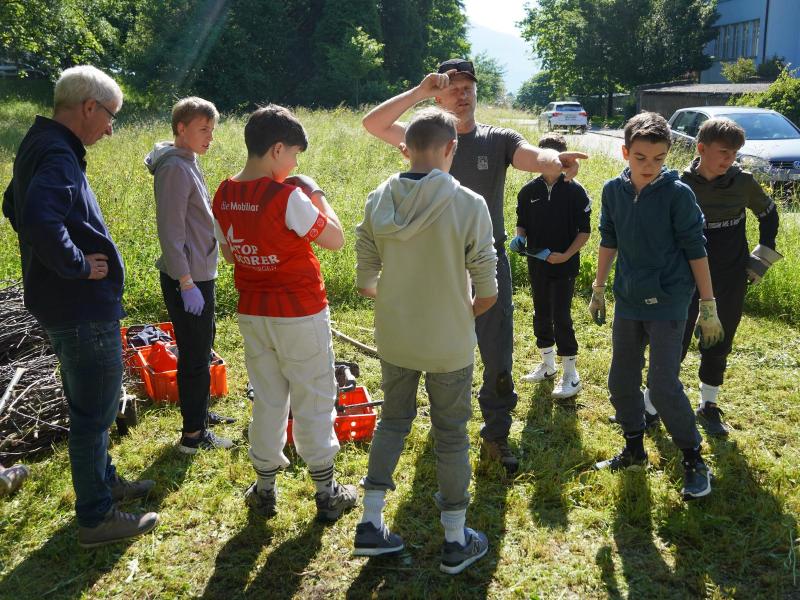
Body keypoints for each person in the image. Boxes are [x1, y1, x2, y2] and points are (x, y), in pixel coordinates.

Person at [362, 58, 587, 475]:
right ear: (438, 93)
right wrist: (418, 93)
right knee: (433, 343)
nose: (462, 94)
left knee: (497, 351)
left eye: (469, 87)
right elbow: (373, 124)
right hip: (433, 266)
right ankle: (444, 422)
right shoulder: (423, 138)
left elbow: (532, 156)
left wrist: (554, 160)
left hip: (486, 260)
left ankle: (496, 434)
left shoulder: (496, 139)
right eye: (452, 87)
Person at [2, 65, 158, 546]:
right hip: (81, 307)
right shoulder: (57, 152)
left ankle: (105, 483)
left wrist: (55, 262)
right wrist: (76, 265)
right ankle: (96, 517)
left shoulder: (40, 143)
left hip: (65, 305)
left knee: (92, 404)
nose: (111, 128)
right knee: (94, 414)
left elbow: (12, 204)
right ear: (89, 107)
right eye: (110, 116)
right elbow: (36, 218)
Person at [353, 107, 497, 574]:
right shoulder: (469, 203)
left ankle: (371, 524)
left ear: (405, 148)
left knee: (392, 421)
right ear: (450, 148)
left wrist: (393, 298)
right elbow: (488, 288)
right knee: (451, 435)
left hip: (396, 336)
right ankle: (456, 539)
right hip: (448, 340)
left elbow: (365, 277)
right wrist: (462, 309)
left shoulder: (378, 199)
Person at [211, 105, 357, 522]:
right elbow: (335, 239)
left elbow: (229, 251)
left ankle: (264, 489)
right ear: (277, 149)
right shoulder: (288, 195)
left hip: (254, 313)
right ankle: (327, 493)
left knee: (269, 398)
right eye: (293, 155)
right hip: (299, 311)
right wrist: (317, 194)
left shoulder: (223, 193)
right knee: (314, 397)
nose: (294, 164)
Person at [589, 112, 724, 501]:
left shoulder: (678, 194)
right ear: (625, 152)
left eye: (660, 159)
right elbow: (609, 239)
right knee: (620, 381)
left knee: (663, 385)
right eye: (641, 158)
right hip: (629, 297)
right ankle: (633, 449)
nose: (650, 167)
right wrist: (599, 288)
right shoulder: (613, 191)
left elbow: (696, 249)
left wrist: (709, 304)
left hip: (669, 299)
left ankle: (693, 458)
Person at [633, 118, 781, 436]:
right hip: (683, 274)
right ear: (701, 149)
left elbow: (769, 214)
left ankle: (709, 405)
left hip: (729, 273)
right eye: (724, 152)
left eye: (735, 153)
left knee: (719, 338)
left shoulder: (744, 182)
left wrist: (761, 258)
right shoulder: (677, 183)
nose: (730, 159)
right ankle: (650, 405)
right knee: (674, 339)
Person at [145, 96, 234, 454]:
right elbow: (171, 232)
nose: (209, 136)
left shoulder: (188, 159)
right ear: (181, 129)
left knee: (202, 345)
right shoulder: (174, 169)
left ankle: (200, 412)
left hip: (199, 272)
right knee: (195, 354)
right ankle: (193, 437)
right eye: (202, 129)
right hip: (188, 278)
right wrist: (185, 283)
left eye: (212, 130)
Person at [510, 133, 591, 398]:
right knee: (541, 313)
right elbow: (522, 221)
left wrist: (566, 255)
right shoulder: (528, 191)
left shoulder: (576, 192)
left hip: (564, 266)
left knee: (562, 317)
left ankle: (571, 374)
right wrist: (520, 237)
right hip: (537, 262)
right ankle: (547, 364)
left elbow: (585, 231)